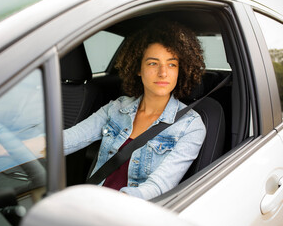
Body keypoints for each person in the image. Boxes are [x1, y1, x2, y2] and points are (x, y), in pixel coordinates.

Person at [64, 20, 206, 200]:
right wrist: (25, 146)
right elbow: (69, 139)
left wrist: (114, 204)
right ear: (138, 69)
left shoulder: (190, 126)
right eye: (153, 63)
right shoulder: (117, 108)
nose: (163, 73)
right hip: (92, 202)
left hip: (131, 212)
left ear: (181, 70)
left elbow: (158, 186)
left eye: (172, 64)